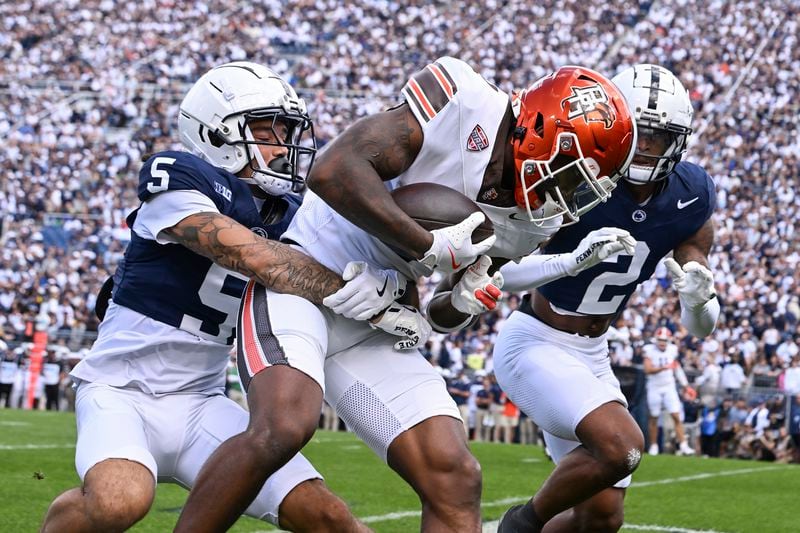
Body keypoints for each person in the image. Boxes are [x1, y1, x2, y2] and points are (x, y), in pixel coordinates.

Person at [176, 57, 637, 532]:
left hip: (378, 314)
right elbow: (334, 171)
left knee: (454, 474)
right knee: (282, 427)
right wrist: (428, 245)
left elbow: (440, 312)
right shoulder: (462, 98)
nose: (567, 191)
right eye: (569, 170)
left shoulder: (532, 219)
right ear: (541, 131)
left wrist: (462, 301)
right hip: (304, 276)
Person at [40, 61, 409, 533]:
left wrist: (397, 277)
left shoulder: (291, 212)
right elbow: (256, 257)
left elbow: (361, 250)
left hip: (203, 399)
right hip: (122, 390)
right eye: (268, 131)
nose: (283, 146)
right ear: (215, 135)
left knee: (328, 517)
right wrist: (349, 290)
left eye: (287, 131)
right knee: (118, 501)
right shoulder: (179, 173)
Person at [495, 63, 720, 532]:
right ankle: (519, 525)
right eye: (639, 134)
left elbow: (699, 327)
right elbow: (502, 272)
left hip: (594, 353)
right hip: (536, 339)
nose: (647, 148)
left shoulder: (691, 195)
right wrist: (568, 261)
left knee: (601, 517)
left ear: (679, 141)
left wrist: (700, 300)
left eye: (660, 138)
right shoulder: (576, 174)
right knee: (623, 447)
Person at [642, 327, 694, 456]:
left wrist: (685, 385)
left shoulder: (672, 350)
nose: (662, 342)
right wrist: (663, 367)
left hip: (669, 386)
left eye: (664, 340)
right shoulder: (649, 351)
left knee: (676, 416)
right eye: (660, 340)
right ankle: (653, 446)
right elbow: (647, 370)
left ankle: (683, 445)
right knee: (654, 417)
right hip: (654, 386)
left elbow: (677, 369)